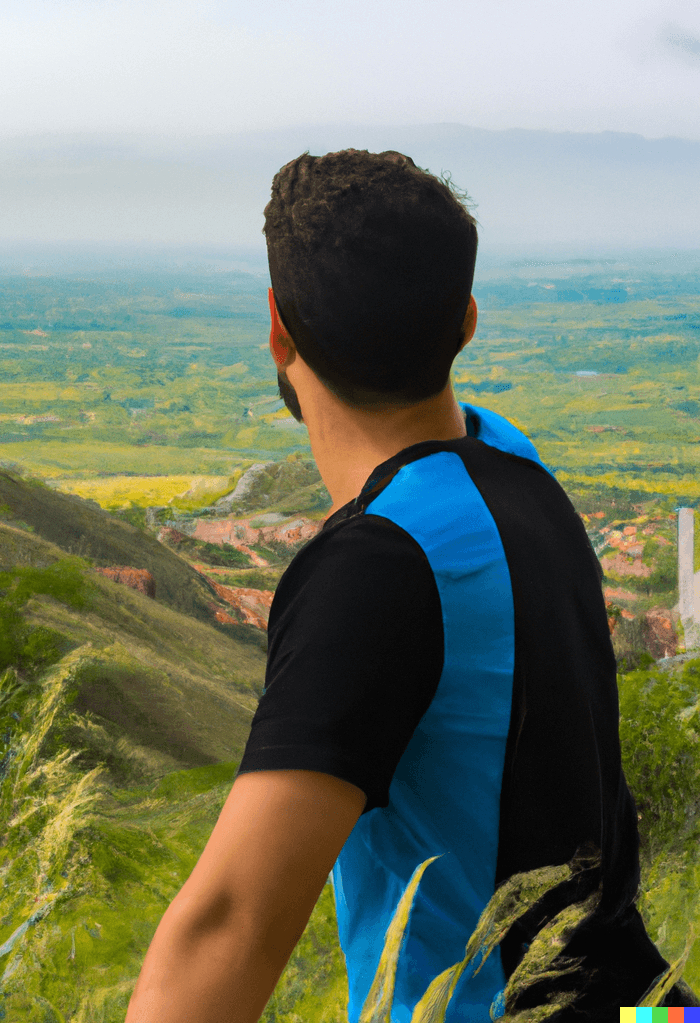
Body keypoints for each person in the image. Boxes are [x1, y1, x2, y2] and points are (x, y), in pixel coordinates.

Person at [124, 149, 698, 1023]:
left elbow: (228, 927)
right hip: (647, 1009)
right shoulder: (516, 468)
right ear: (465, 322)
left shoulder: (380, 569)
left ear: (278, 331)